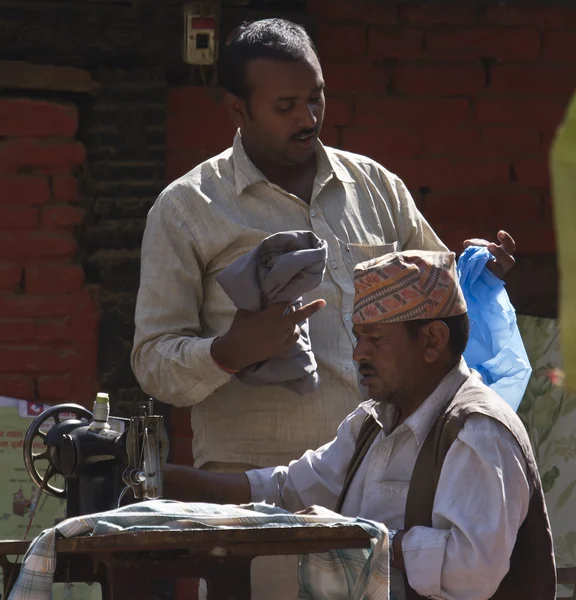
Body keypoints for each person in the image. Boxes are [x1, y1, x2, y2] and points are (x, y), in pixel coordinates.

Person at [132, 18, 517, 599]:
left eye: (315, 98)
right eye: (285, 105)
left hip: (381, 488)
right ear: (238, 108)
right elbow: (153, 361)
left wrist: (479, 274)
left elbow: (435, 304)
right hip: (255, 503)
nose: (308, 118)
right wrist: (230, 351)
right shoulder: (187, 209)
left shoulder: (377, 189)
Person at [163, 250, 555, 600]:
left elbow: (470, 574)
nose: (358, 354)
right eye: (357, 337)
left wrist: (362, 537)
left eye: (375, 339)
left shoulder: (477, 430)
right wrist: (169, 483)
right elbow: (288, 489)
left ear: (432, 341)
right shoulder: (371, 424)